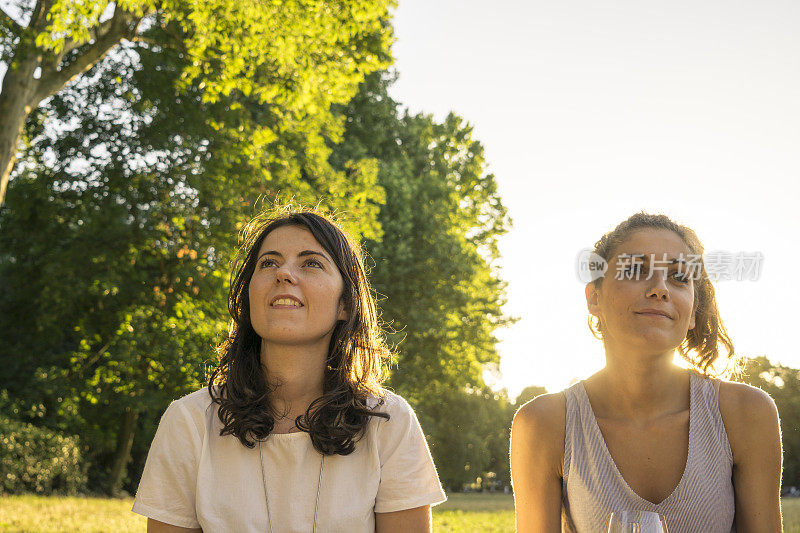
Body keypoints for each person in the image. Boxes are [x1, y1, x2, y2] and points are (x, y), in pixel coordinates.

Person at [132, 210, 446, 532]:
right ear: (249, 297)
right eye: (268, 263)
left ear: (345, 305)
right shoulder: (189, 421)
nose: (283, 273)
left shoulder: (389, 423)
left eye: (311, 263)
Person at [510, 212, 783, 532]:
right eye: (636, 271)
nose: (659, 289)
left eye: (679, 277)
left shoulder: (746, 413)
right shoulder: (544, 423)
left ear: (693, 311)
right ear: (594, 297)